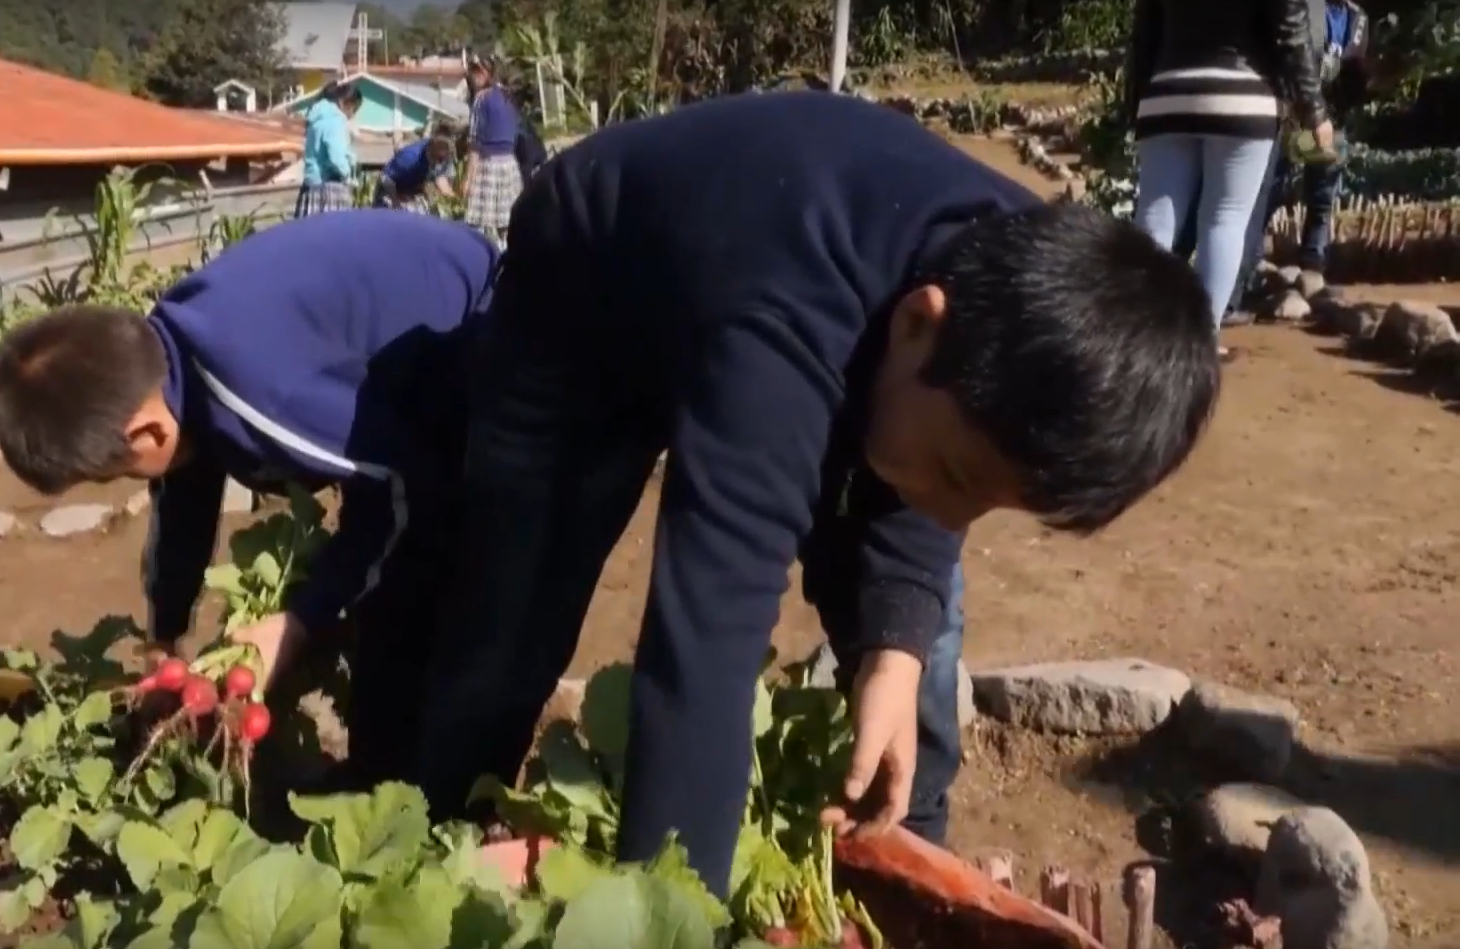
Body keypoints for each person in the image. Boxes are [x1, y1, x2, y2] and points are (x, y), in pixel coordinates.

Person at [408, 91, 1222, 895]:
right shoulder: (784, 327)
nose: (951, 519)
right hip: (589, 294)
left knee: (915, 660)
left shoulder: (1025, 298)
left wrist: (894, 654)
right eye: (962, 479)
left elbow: (936, 487)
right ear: (917, 324)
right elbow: (705, 647)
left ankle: (901, 870)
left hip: (804, 294)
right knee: (511, 620)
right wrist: (678, 914)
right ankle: (420, 850)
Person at [0, 210, 499, 788]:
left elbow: (401, 481)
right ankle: (382, 774)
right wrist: (164, 637)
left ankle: (444, 799)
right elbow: (183, 489)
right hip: (396, 357)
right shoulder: (166, 360)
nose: (126, 482)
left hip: (480, 324)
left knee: (430, 577)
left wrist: (296, 623)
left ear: (146, 435)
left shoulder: (260, 392)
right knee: (376, 587)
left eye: (112, 474)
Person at [1126, 0, 1330, 359]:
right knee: (1225, 219)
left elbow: (1144, 34)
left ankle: (1134, 331)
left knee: (1154, 215)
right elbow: (1290, 32)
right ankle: (1201, 341)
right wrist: (1313, 109)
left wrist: (1134, 105)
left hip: (1166, 93)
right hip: (1241, 97)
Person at [1237, 0, 1371, 304]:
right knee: (1270, 189)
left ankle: (1313, 265)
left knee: (1323, 194)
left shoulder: (1358, 18)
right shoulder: (1305, 6)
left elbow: (1355, 69)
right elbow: (1290, 54)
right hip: (1291, 112)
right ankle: (1249, 268)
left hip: (1331, 117)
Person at [460, 57, 524, 243]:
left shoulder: (481, 99)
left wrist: (468, 179)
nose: (472, 78)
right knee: (507, 223)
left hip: (489, 165)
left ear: (484, 73)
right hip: (510, 164)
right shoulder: (508, 96)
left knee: (479, 225)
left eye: (474, 72)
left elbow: (475, 141)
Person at [297, 82, 363, 217]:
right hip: (328, 188)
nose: (352, 115)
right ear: (344, 103)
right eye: (353, 110)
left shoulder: (317, 119)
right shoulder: (334, 121)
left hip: (311, 186)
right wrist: (349, 176)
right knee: (333, 234)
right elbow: (336, 156)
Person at [373, 134, 456, 211]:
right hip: (390, 193)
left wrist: (454, 200)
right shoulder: (410, 158)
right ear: (431, 152)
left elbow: (441, 180)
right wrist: (395, 201)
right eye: (440, 159)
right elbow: (386, 178)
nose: (442, 162)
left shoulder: (440, 153)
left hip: (410, 193)